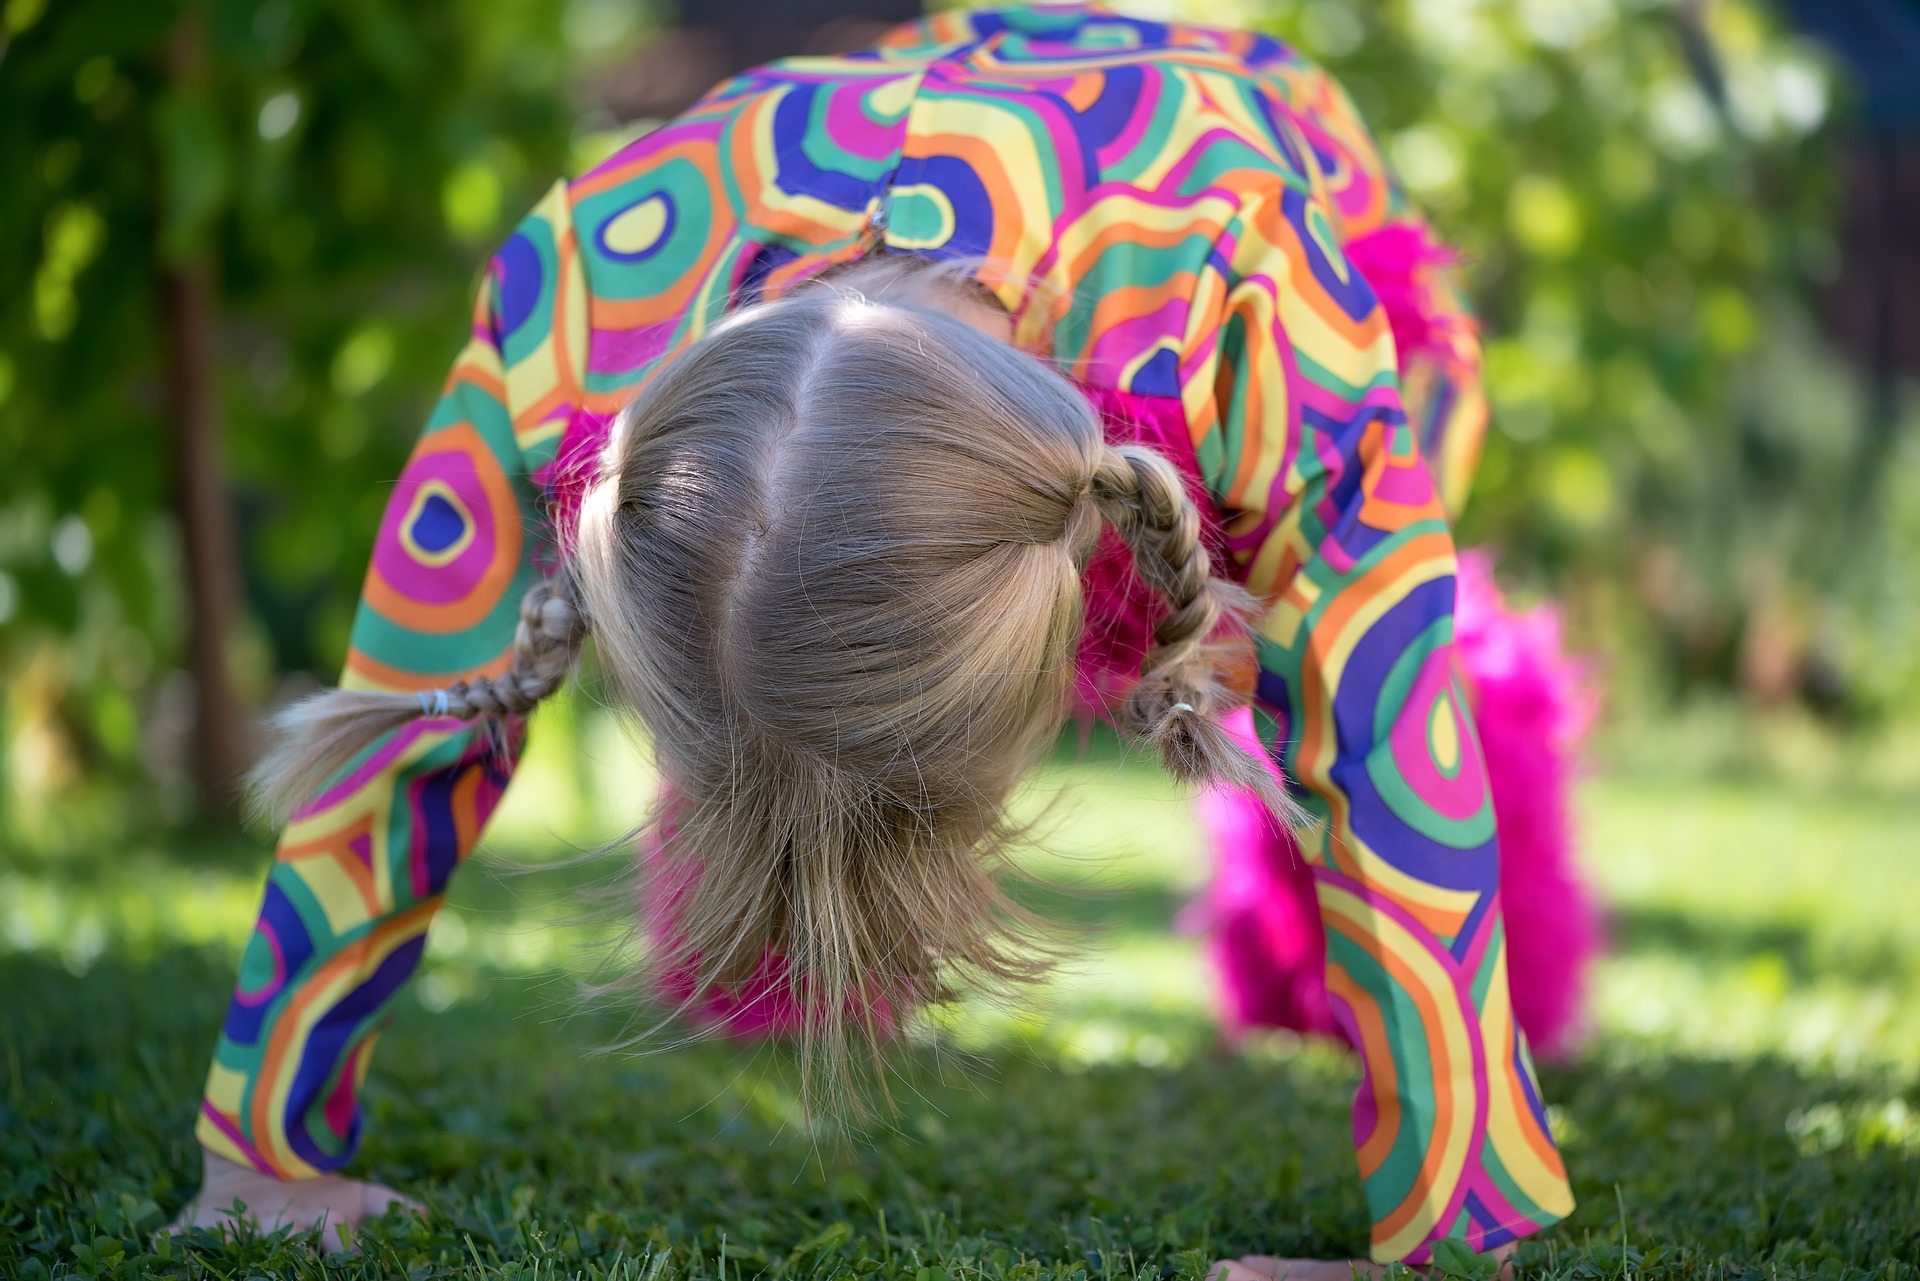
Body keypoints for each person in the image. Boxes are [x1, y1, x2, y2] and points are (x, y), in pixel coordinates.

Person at [173, 6, 1589, 1272]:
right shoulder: (584, 286)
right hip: (955, 203)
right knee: (787, 667)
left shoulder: (1248, 294)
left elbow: (1396, 742)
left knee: (1353, 667)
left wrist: (1451, 1233)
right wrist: (263, 1155)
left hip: (1279, 185)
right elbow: (408, 703)